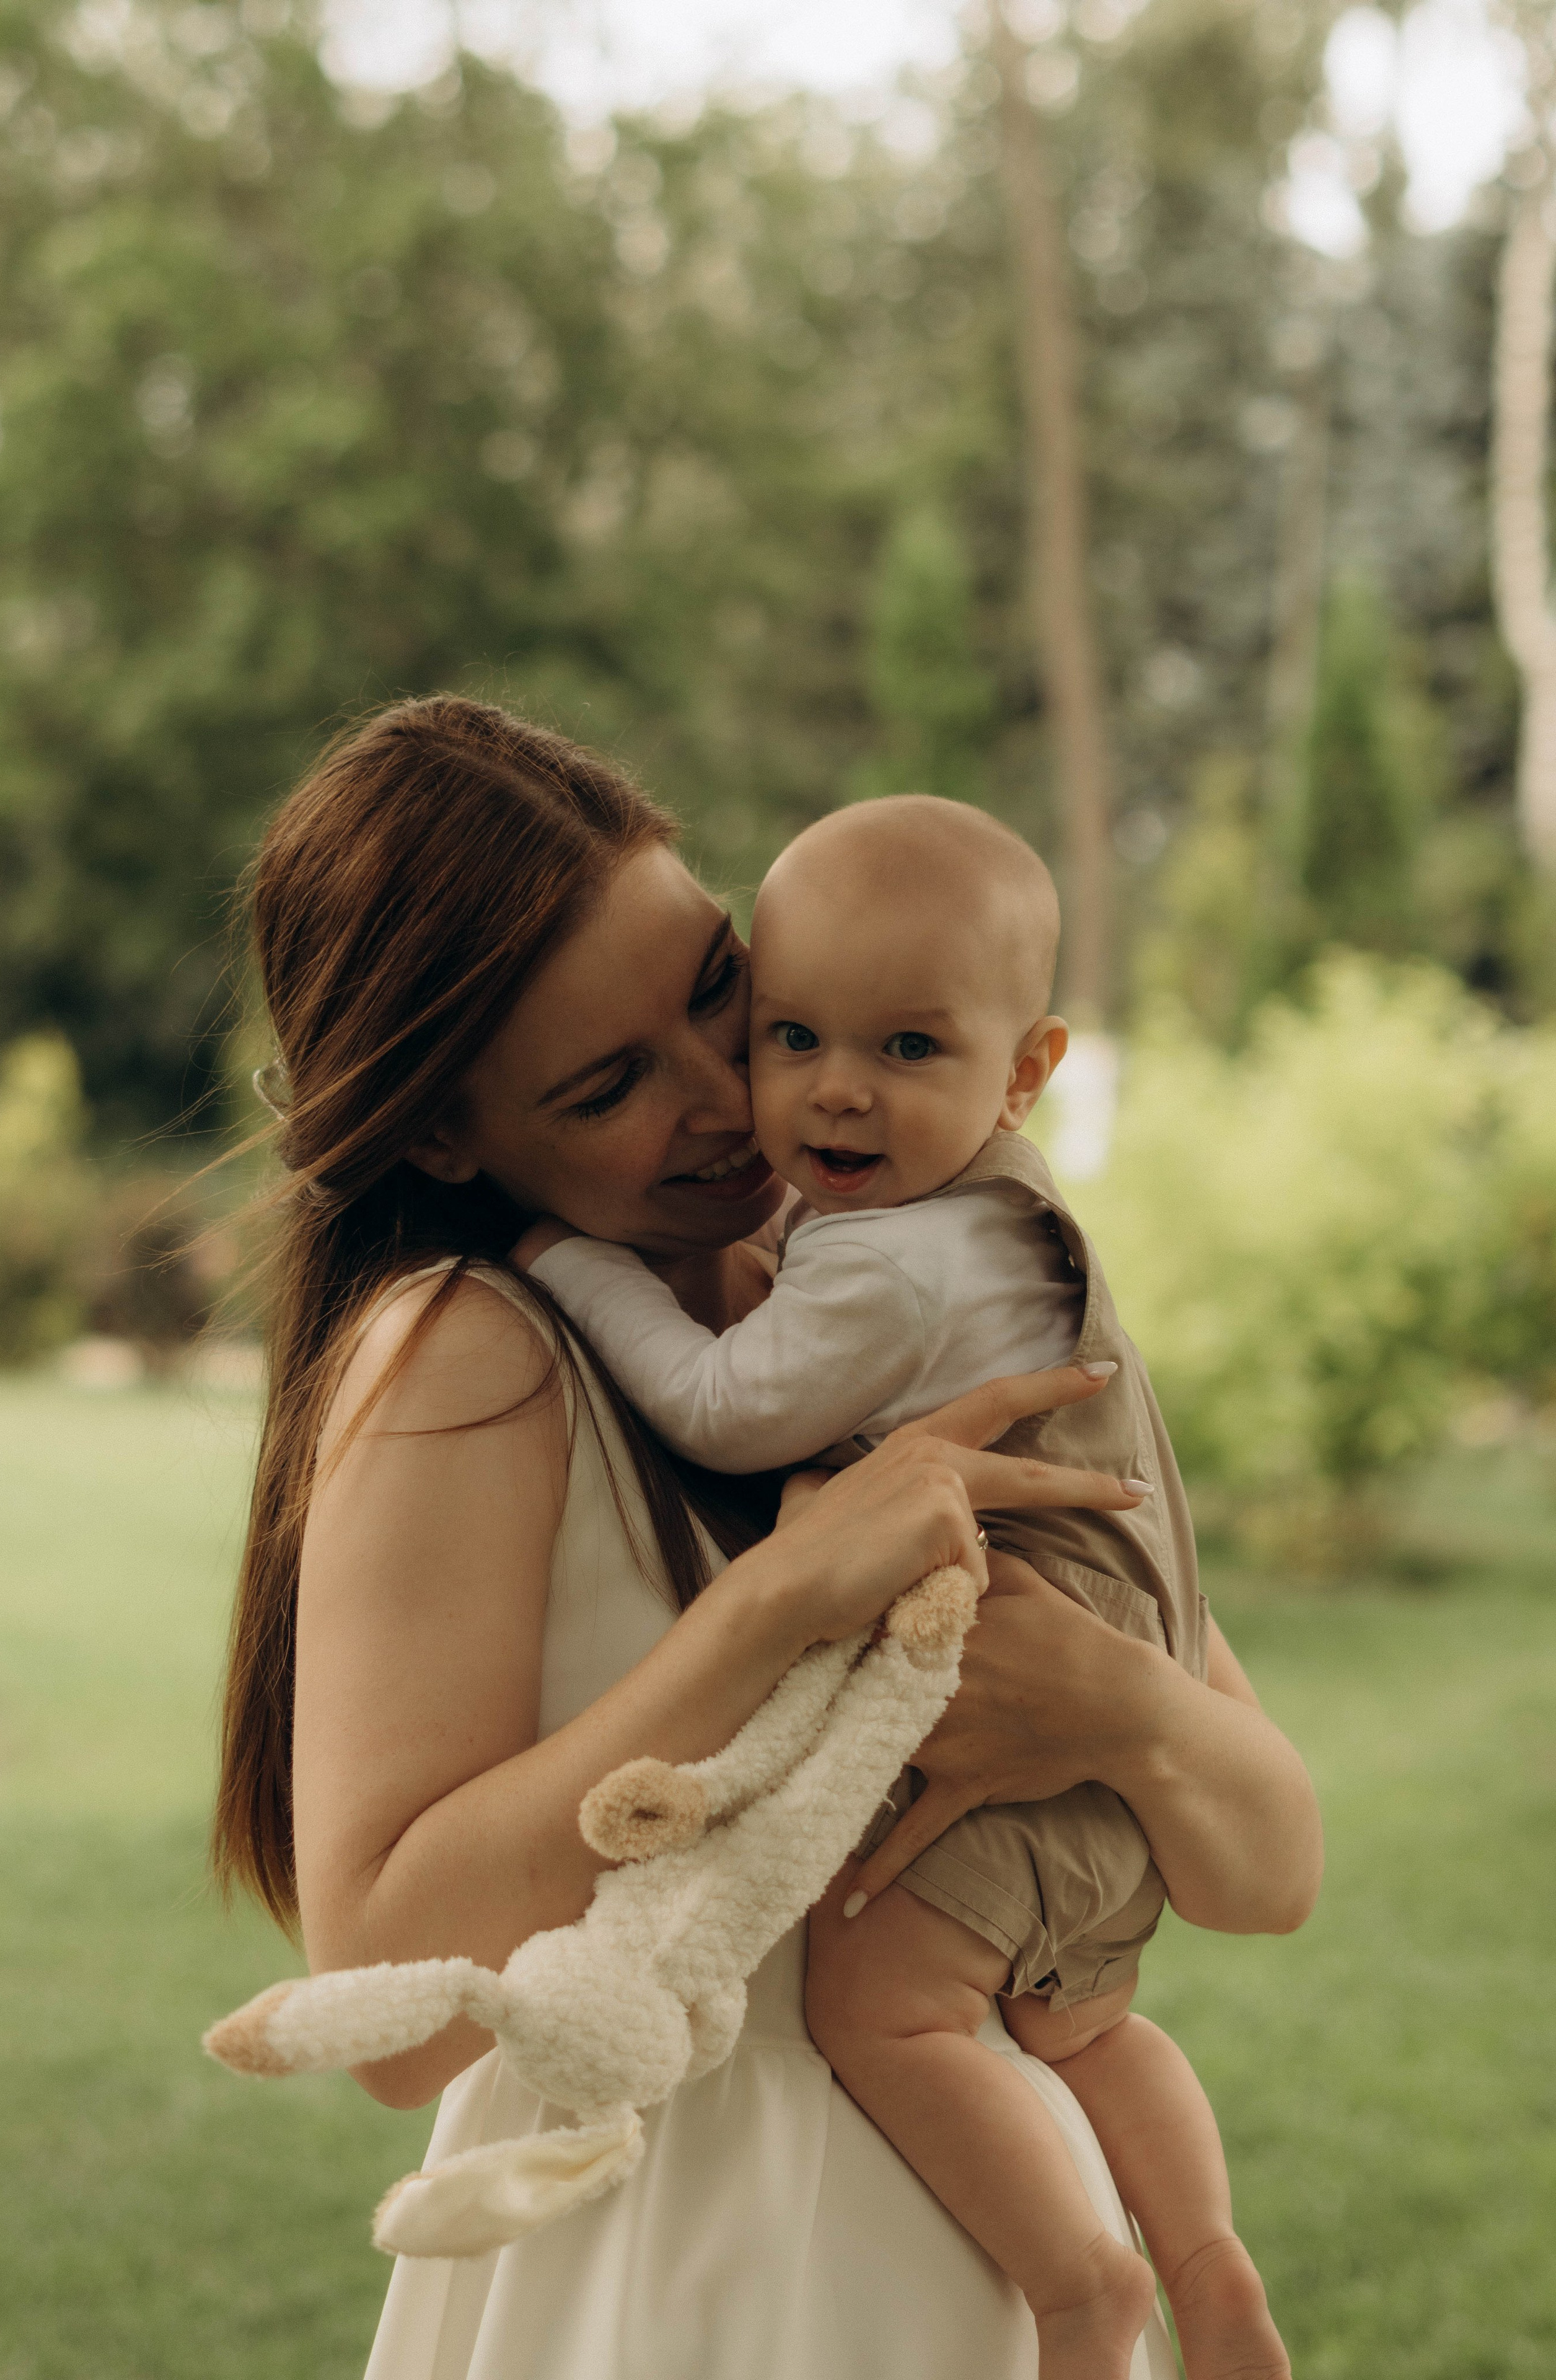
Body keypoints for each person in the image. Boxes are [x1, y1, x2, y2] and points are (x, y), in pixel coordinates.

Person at [213, 695, 1322, 2380]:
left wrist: (1129, 1713)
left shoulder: (882, 1280)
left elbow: (1273, 1870)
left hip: (1002, 2251)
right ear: (448, 1134)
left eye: (720, 995)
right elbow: (387, 1993)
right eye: (608, 1087)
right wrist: (781, 1602)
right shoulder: (473, 1351)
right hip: (691, 2274)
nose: (731, 1104)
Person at [516, 797, 1288, 2380]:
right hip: (1099, 1751)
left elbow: (731, 1408)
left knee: (887, 2010)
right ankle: (1209, 2262)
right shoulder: (1008, 1225)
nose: (834, 1091)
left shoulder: (886, 1258)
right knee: (1084, 2024)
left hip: (1013, 1709)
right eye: (790, 1035)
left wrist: (568, 1267)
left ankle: (1082, 2287)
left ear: (1024, 1071)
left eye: (908, 1050)